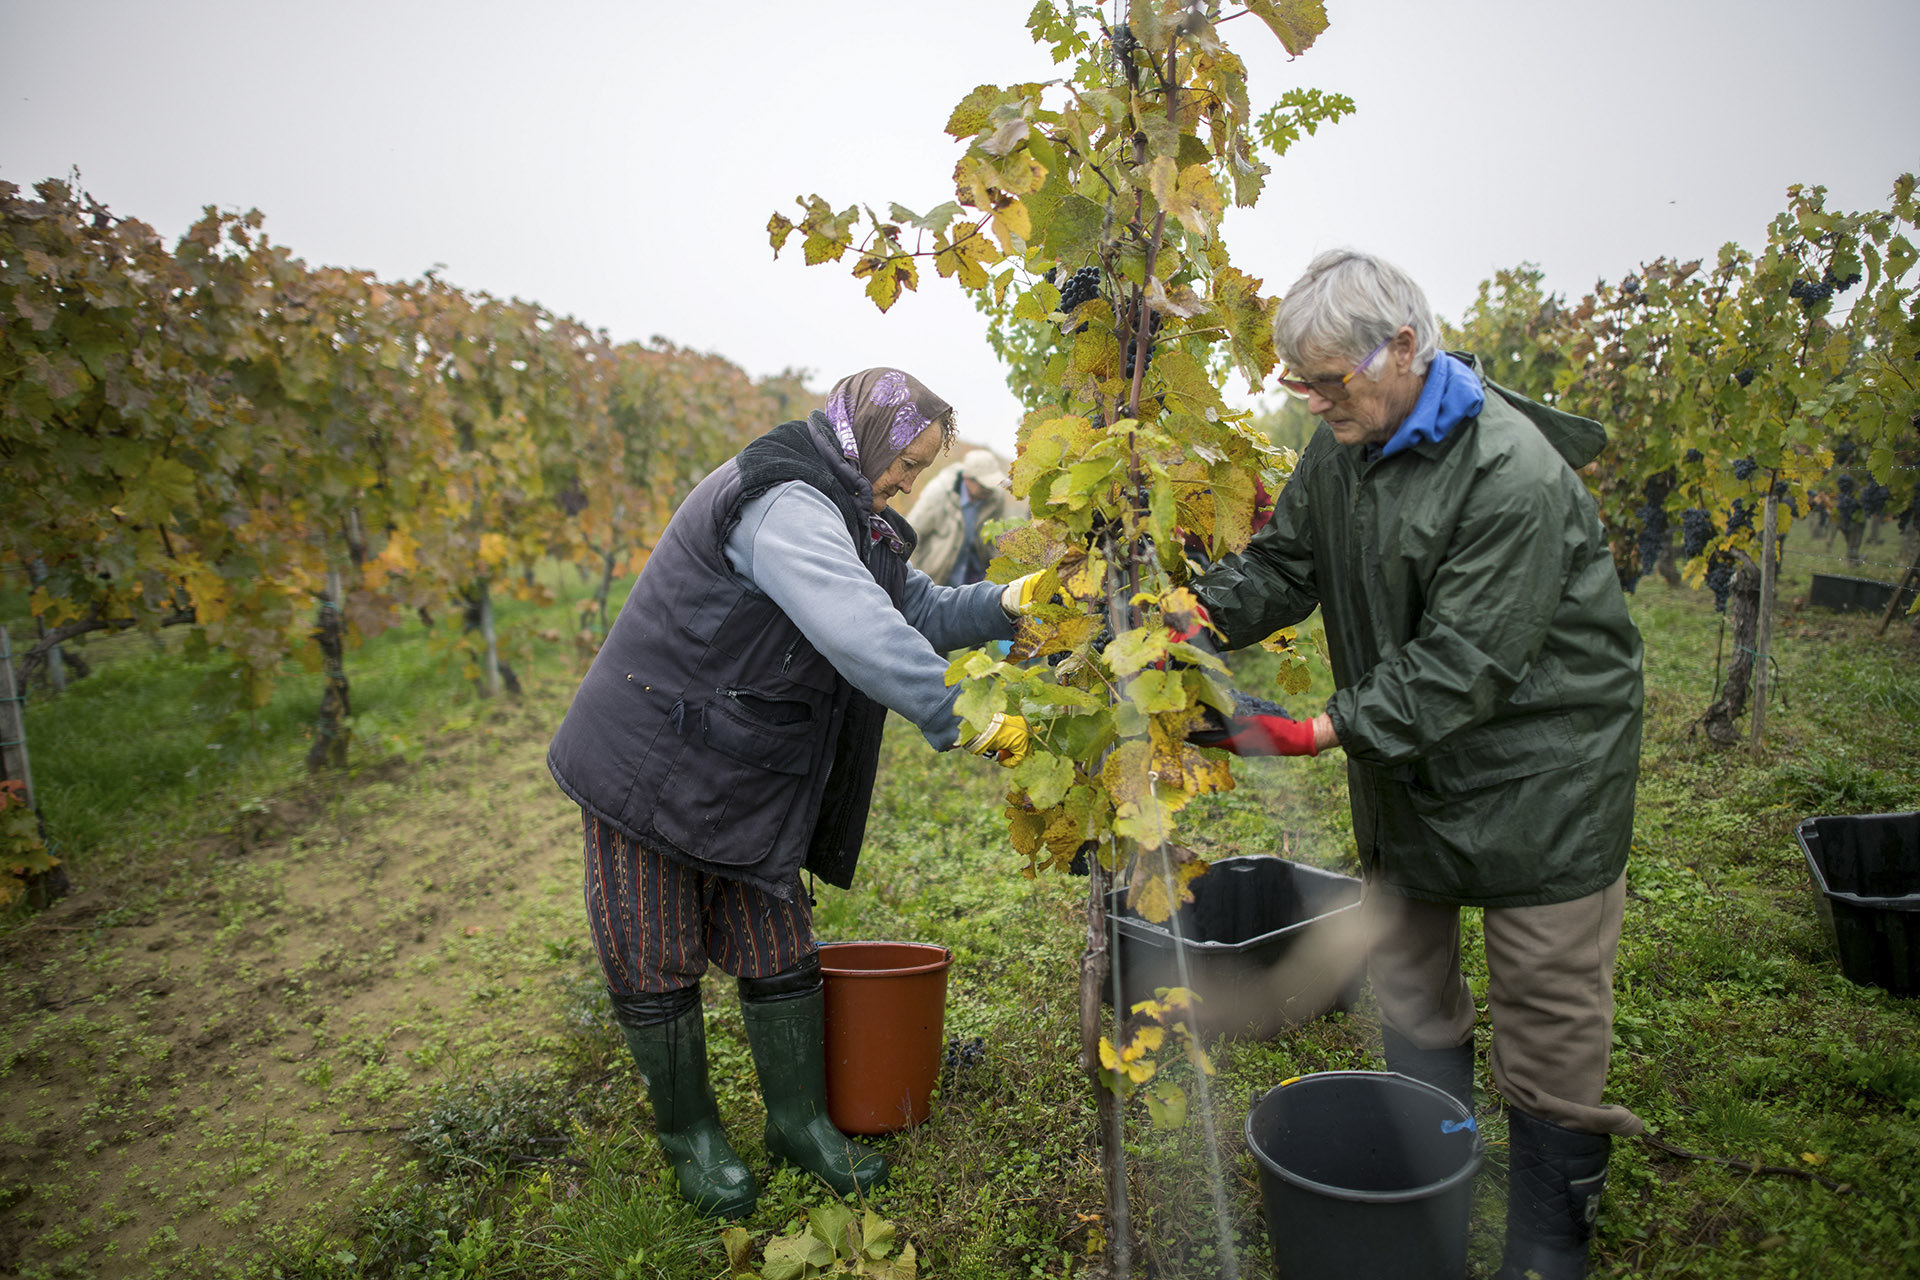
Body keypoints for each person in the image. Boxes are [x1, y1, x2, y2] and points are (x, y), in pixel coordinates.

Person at [1190, 251, 1644, 1280]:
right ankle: (1438, 1173)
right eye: (1296, 384)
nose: (1311, 401)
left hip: (1543, 774)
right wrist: (1196, 617)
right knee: (1410, 976)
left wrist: (1308, 731)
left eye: (1327, 380)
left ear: (1403, 347)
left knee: (1549, 1004)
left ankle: (1544, 1238)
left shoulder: (1510, 472)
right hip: (1409, 765)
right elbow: (1287, 563)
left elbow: (1462, 666)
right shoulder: (1343, 445)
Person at [547, 367, 1039, 1218]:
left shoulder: (855, 515)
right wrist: (966, 713)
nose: (909, 483)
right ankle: (693, 1140)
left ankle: (798, 1123)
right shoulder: (784, 502)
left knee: (777, 941)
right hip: (653, 756)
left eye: (924, 467)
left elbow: (913, 606)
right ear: (869, 439)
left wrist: (1006, 602)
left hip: (745, 760)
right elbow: (858, 625)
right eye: (906, 461)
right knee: (655, 954)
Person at [907, 447, 1022, 586]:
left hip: (974, 578)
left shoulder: (996, 497)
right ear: (967, 479)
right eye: (983, 486)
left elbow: (997, 542)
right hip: (938, 578)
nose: (988, 490)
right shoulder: (939, 493)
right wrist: (915, 580)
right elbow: (912, 533)